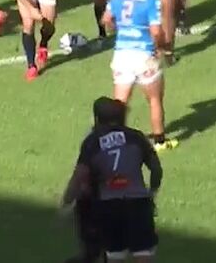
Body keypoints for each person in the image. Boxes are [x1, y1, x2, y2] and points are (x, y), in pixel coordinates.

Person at [61, 97, 162, 263]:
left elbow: (80, 176)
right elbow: (156, 169)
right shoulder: (136, 137)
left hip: (109, 206)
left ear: (97, 119)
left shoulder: (92, 141)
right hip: (137, 202)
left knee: (115, 255)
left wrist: (67, 202)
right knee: (143, 253)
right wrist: (151, 192)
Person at [103, 0, 177, 152]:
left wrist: (120, 30)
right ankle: (159, 141)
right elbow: (155, 31)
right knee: (154, 99)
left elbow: (106, 19)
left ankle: (116, 141)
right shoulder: (151, 1)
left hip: (121, 54)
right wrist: (160, 46)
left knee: (120, 103)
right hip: (143, 55)